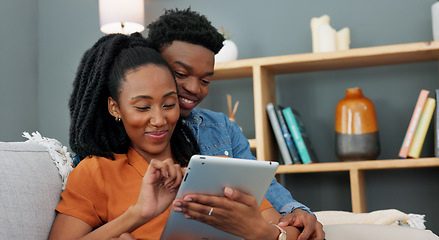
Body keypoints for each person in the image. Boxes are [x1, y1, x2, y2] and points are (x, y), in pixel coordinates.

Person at [48, 33, 300, 239]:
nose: (159, 120)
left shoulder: (208, 162)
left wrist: (264, 233)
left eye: (169, 104)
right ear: (115, 107)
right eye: (143, 107)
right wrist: (137, 214)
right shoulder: (97, 171)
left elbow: (284, 228)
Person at [146, 8, 325, 240]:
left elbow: (262, 187)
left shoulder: (221, 127)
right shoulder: (117, 134)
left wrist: (295, 210)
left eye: (205, 80)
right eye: (181, 74)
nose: (195, 88)